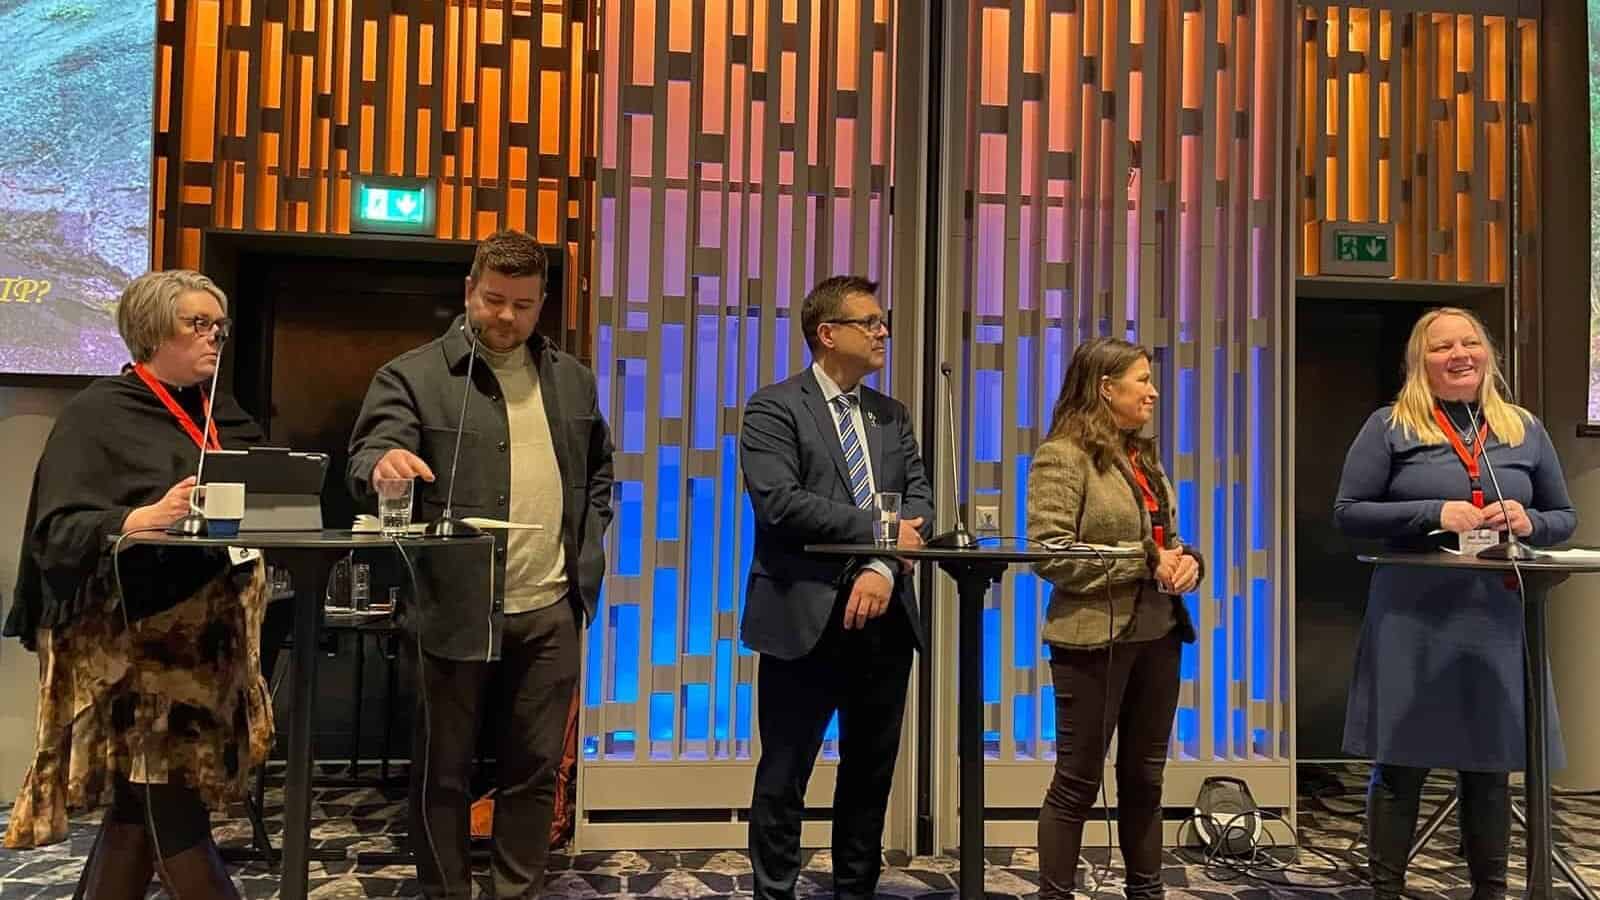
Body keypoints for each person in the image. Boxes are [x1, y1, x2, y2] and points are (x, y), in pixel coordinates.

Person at [347, 229, 614, 899]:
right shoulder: (412, 375)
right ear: (469, 290)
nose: (506, 317)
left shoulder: (572, 380)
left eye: (523, 305)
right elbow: (367, 455)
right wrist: (383, 466)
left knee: (535, 770)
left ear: (542, 303)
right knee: (443, 773)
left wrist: (590, 543)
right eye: (494, 299)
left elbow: (599, 474)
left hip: (550, 606)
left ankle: (515, 892)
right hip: (452, 605)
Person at [4, 270, 271, 899]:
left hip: (205, 647)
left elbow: (263, 488)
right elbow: (56, 533)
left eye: (219, 326)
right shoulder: (98, 413)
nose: (214, 337)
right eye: (197, 324)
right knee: (174, 816)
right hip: (132, 649)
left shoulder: (220, 410)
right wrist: (137, 519)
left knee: (136, 817)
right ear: (152, 333)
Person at [1334, 307, 1576, 900]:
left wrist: (1530, 521)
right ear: (1421, 361)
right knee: (1401, 765)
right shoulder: (1390, 426)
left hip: (1495, 617)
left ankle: (1489, 891)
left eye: (1470, 343)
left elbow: (1563, 517)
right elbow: (1349, 513)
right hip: (1412, 617)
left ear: (1488, 353)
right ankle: (1385, 890)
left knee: (1489, 768)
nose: (1460, 355)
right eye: (1443, 347)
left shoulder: (1523, 429)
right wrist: (1432, 512)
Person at [739, 275, 933, 899]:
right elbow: (780, 503)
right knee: (784, 773)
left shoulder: (890, 414)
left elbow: (920, 504)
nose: (883, 332)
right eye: (869, 322)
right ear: (828, 333)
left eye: (882, 321)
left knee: (869, 774)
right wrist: (881, 531)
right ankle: (775, 891)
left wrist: (882, 567)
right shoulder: (775, 408)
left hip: (884, 620)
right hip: (803, 615)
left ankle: (856, 889)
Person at [1025, 337, 1202, 900]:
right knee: (1077, 783)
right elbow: (1051, 554)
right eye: (1142, 380)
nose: (1154, 392)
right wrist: (1147, 560)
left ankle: (1146, 892)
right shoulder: (1062, 455)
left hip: (1159, 633)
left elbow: (1168, 540)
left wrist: (1189, 563)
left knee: (1146, 779)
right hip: (1092, 640)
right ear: (1106, 387)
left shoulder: (1144, 457)